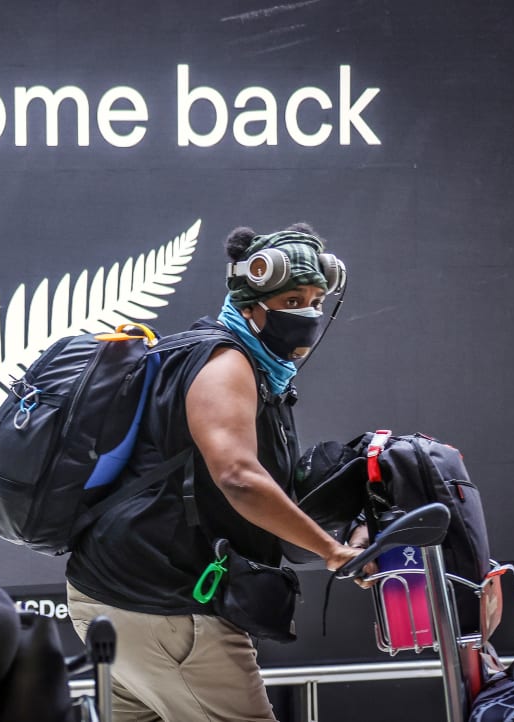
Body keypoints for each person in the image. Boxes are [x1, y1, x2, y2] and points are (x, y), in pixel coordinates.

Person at [65, 223, 371, 722]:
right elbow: (237, 477)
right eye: (292, 300)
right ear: (251, 305)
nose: (309, 313)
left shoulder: (214, 357)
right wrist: (332, 552)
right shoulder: (226, 363)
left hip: (111, 595)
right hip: (167, 608)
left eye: (316, 299)